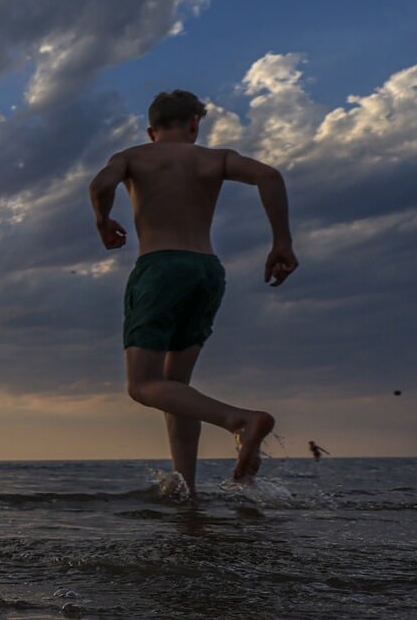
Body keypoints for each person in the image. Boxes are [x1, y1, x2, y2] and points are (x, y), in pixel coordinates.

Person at [89, 89, 295, 496]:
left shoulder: (132, 157)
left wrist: (103, 220)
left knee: (142, 385)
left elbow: (100, 183)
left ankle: (240, 420)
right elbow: (269, 176)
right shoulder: (215, 158)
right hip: (207, 271)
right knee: (176, 388)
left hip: (161, 268)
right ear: (194, 124)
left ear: (151, 131)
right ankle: (187, 488)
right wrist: (282, 242)